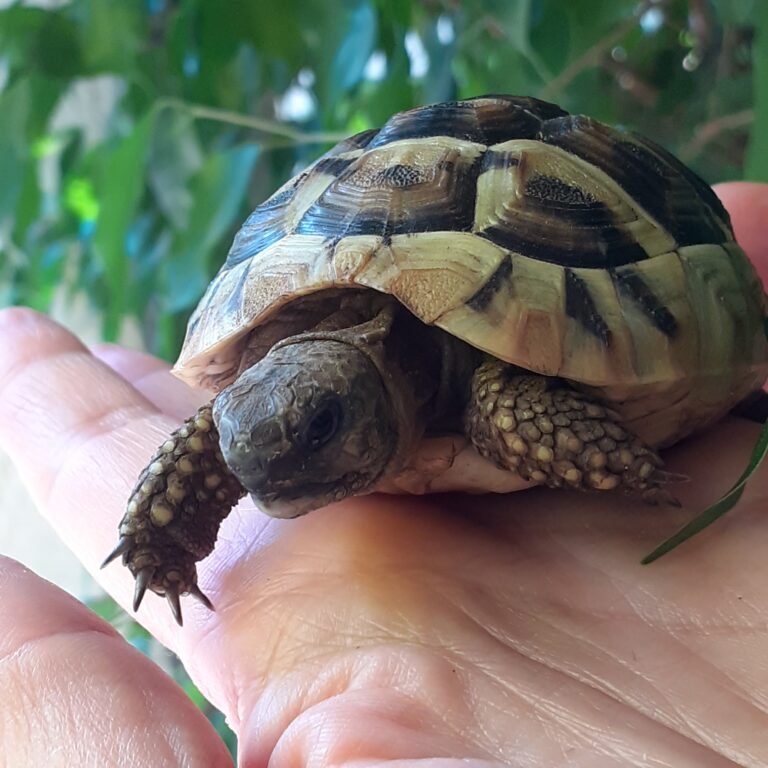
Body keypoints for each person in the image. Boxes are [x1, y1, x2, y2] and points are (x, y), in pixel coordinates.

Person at [1, 183, 767, 767]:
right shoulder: (272, 401)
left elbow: (511, 397)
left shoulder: (491, 391)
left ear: (370, 384)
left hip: (543, 275)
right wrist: (161, 537)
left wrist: (622, 463)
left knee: (505, 407)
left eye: (321, 431)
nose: (274, 483)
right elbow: (229, 429)